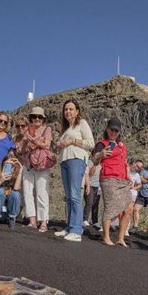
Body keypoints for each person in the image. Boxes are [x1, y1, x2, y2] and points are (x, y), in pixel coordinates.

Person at [54, 99, 95, 242]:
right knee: (69, 196)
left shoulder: (82, 124)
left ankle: (77, 230)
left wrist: (72, 141)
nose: (68, 112)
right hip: (65, 161)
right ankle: (70, 227)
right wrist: (60, 144)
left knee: (75, 194)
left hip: (76, 160)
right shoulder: (66, 129)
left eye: (71, 109)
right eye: (66, 109)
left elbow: (91, 143)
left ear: (77, 111)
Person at [92, 117, 133, 247]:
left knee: (128, 208)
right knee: (110, 207)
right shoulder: (102, 144)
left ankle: (121, 238)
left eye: (116, 130)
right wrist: (100, 155)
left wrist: (129, 176)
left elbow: (124, 162)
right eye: (112, 130)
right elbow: (94, 161)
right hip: (109, 179)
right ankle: (106, 236)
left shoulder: (121, 146)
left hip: (123, 180)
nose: (114, 133)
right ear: (107, 129)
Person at [16, 107, 53, 232]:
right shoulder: (27, 131)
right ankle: (32, 220)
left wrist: (35, 142)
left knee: (42, 192)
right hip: (28, 163)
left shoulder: (47, 130)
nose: (37, 119)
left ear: (43, 119)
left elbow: (47, 144)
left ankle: (43, 222)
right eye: (34, 116)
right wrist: (27, 142)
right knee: (27, 191)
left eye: (39, 117)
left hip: (42, 164)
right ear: (31, 118)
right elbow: (21, 150)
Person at [0, 150, 23, 228]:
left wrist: (20, 170)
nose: (9, 167)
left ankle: (12, 219)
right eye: (6, 165)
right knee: (0, 190)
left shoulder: (17, 178)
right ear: (2, 165)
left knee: (15, 193)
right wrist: (0, 181)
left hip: (9, 213)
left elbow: (16, 189)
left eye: (11, 165)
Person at [127, 159, 144, 232]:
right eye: (136, 165)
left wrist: (134, 187)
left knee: (129, 210)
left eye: (139, 167)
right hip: (121, 191)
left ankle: (126, 228)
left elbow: (140, 184)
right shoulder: (126, 169)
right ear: (134, 163)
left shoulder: (136, 175)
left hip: (130, 193)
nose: (136, 167)